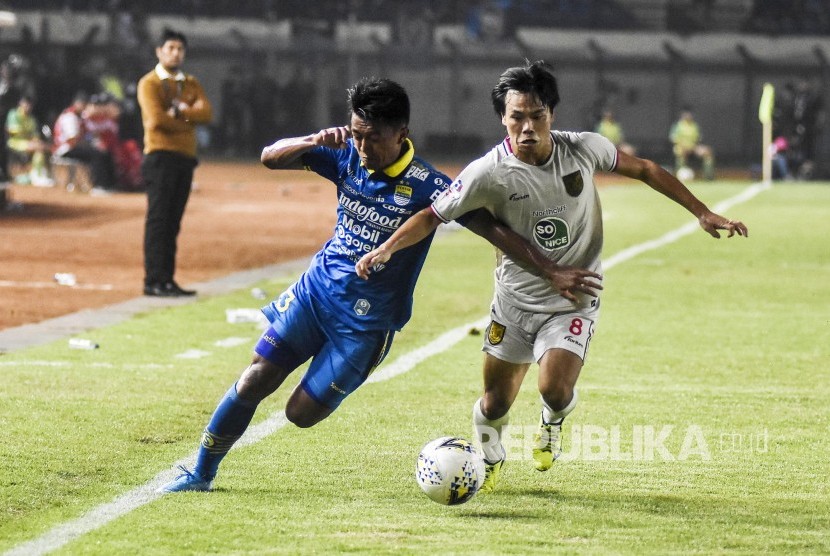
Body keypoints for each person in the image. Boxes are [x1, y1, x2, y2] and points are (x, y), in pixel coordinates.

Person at [355, 60, 748, 493]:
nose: (527, 128)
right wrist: (386, 248)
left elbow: (646, 169)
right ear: (503, 119)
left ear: (551, 115)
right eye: (517, 117)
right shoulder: (488, 172)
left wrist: (702, 212)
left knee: (555, 390)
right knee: (494, 402)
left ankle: (552, 423)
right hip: (514, 301)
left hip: (574, 297)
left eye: (536, 116)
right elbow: (433, 215)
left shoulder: (583, 149)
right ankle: (491, 456)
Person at [157, 76, 554, 494]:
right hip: (315, 294)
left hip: (365, 326)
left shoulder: (429, 186)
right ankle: (201, 473)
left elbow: (491, 229)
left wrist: (551, 269)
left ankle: (316, 379)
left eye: (373, 138)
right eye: (357, 135)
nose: (363, 148)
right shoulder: (345, 154)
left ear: (401, 133)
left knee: (300, 414)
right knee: (255, 377)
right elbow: (270, 157)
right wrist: (314, 139)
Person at [137, 29, 212, 297]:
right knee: (158, 221)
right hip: (160, 157)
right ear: (159, 51)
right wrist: (188, 119)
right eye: (170, 48)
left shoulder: (190, 82)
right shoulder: (149, 83)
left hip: (184, 159)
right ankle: (153, 281)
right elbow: (156, 120)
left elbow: (206, 113)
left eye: (180, 49)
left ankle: (167, 280)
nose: (175, 53)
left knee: (173, 222)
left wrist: (179, 112)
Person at [52, 91, 117, 190]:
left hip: (72, 147)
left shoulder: (79, 116)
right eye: (84, 104)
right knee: (96, 155)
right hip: (65, 149)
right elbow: (72, 140)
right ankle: (98, 186)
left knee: (104, 153)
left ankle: (109, 184)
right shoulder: (70, 116)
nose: (85, 107)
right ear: (77, 103)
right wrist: (90, 145)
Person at [5, 95, 52, 186]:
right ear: (21, 103)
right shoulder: (13, 114)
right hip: (15, 143)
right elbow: (13, 131)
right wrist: (30, 141)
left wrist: (36, 141)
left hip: (29, 143)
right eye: (26, 103)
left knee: (43, 148)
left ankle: (42, 175)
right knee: (38, 148)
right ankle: (37, 176)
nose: (28, 106)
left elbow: (35, 134)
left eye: (30, 105)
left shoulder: (31, 118)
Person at [669, 109, 714, 180]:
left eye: (689, 114)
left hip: (693, 147)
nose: (688, 116)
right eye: (686, 114)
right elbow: (673, 138)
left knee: (707, 152)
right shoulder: (678, 125)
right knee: (682, 152)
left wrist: (696, 147)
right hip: (681, 147)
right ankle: (679, 175)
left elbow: (698, 139)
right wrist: (683, 145)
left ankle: (708, 177)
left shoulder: (694, 125)